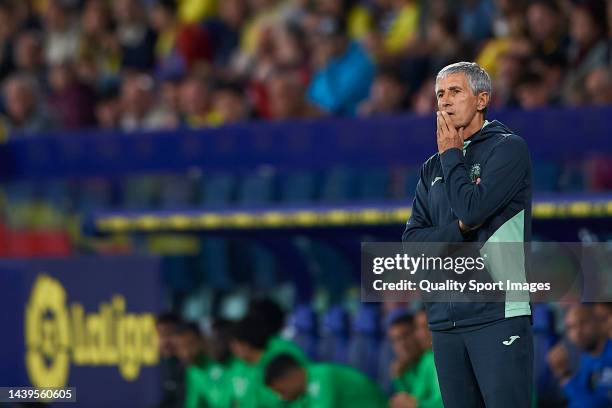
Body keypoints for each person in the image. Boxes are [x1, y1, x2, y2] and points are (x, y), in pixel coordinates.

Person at [402, 61, 533, 407]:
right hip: (445, 319)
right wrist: (460, 230)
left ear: (482, 99)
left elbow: (472, 209)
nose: (444, 101)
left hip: (496, 312)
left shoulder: (507, 148)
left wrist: (450, 155)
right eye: (440, 94)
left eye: (455, 92)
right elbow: (412, 243)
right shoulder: (432, 167)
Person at [229, 313, 307, 407]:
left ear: (246, 345)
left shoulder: (283, 353)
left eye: (235, 343)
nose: (232, 349)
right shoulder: (239, 364)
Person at [548, 304, 612, 408]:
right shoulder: (586, 357)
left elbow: (598, 404)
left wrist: (565, 375)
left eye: (584, 323)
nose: (577, 332)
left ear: (599, 323)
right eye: (571, 327)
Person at [264, 353, 387, 407]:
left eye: (281, 391)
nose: (282, 397)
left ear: (289, 378)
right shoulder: (303, 392)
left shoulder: (322, 376)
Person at [387, 313, 443, 408]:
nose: (402, 345)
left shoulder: (430, 359)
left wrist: (417, 405)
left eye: (405, 336)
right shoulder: (404, 370)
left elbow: (445, 403)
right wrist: (399, 380)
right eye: (395, 340)